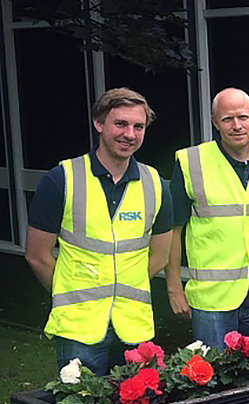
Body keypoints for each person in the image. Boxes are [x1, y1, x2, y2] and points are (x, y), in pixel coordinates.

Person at [25, 88, 173, 375]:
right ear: (99, 123)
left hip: (134, 326)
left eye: (138, 126)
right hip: (79, 329)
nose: (129, 134)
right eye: (121, 124)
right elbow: (37, 255)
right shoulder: (62, 179)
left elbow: (161, 255)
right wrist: (68, 294)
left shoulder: (155, 184)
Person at [166, 88, 249, 361]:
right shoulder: (191, 162)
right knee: (213, 385)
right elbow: (173, 231)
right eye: (227, 119)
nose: (236, 126)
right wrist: (173, 289)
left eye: (242, 117)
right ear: (215, 122)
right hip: (211, 301)